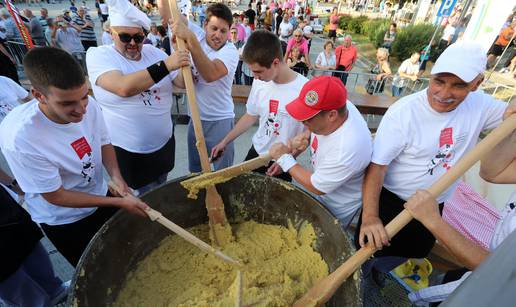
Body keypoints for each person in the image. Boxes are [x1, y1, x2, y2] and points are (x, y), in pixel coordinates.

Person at [355, 42, 511, 275]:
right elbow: (377, 168)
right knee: (367, 253)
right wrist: (369, 216)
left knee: (411, 252)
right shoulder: (404, 114)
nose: (444, 93)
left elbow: (510, 114)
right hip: (391, 203)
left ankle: (382, 273)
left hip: (434, 205)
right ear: (430, 75)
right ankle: (365, 274)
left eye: (459, 86)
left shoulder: (480, 106)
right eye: (439, 81)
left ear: (477, 84)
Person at [0, 47, 150, 267]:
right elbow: (56, 196)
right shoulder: (21, 138)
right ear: (39, 95)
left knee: (125, 254)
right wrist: (118, 201)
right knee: (94, 268)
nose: (81, 109)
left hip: (99, 196)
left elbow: (103, 141)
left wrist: (117, 177)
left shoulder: (90, 106)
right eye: (67, 103)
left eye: (84, 97)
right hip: (65, 219)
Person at [404, 106, 515, 305]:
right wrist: (510, 129)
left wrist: (433, 221)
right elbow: (492, 172)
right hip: (479, 273)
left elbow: (498, 272)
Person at [86, 0, 190, 194]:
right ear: (111, 33)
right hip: (130, 152)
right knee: (142, 202)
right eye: (125, 37)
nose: (133, 43)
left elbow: (183, 83)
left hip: (164, 145)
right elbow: (123, 87)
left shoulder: (154, 53)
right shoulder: (99, 55)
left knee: (162, 189)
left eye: (138, 37)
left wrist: (179, 52)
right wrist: (167, 65)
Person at [0, 76, 69, 307]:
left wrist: (10, 184)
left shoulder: (4, 82)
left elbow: (29, 102)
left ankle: (54, 289)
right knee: (7, 271)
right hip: (18, 156)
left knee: (26, 241)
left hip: (3, 203)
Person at [269, 76, 372, 227]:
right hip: (325, 180)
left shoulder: (349, 146)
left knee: (323, 234)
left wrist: (285, 159)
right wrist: (306, 136)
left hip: (337, 204)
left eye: (308, 118)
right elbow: (315, 128)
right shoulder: (339, 105)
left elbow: (317, 187)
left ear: (332, 115)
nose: (303, 122)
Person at [211, 30, 307, 181]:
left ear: (275, 63)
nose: (255, 77)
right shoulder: (260, 82)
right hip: (256, 152)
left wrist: (288, 160)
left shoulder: (304, 90)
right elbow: (250, 115)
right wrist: (225, 141)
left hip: (283, 160)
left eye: (258, 71)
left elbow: (307, 135)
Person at [168, 3, 239, 173]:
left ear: (229, 31)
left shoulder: (230, 52)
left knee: (223, 173)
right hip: (196, 119)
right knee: (196, 172)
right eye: (214, 28)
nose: (217, 35)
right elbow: (172, 16)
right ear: (205, 24)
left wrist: (190, 39)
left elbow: (210, 74)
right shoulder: (198, 35)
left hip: (220, 120)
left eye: (223, 31)